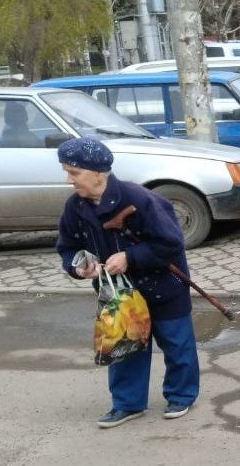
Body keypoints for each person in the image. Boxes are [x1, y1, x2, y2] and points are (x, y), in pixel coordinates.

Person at [55, 137, 200, 428]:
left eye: (74, 172)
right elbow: (67, 247)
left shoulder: (141, 199)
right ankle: (127, 404)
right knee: (124, 347)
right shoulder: (75, 207)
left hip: (164, 288)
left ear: (98, 172)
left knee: (177, 344)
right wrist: (78, 267)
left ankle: (181, 396)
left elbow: (171, 243)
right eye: (67, 172)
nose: (69, 180)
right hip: (118, 295)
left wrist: (130, 257)